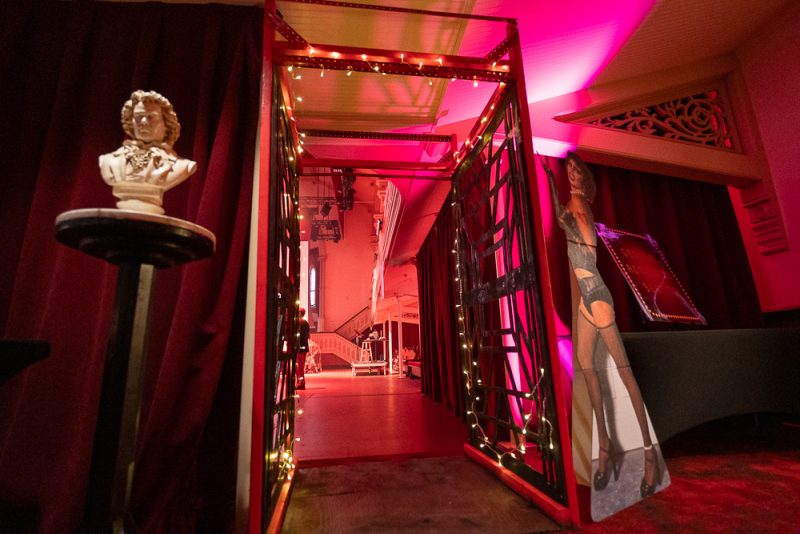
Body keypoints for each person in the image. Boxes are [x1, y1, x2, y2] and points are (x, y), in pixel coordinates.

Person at [544, 151, 660, 498]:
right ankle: (605, 446)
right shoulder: (572, 203)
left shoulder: (581, 206)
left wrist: (570, 220)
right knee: (586, 367)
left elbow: (588, 246)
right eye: (569, 170)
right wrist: (550, 184)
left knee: (624, 372)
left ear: (585, 178)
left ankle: (649, 454)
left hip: (596, 294)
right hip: (586, 300)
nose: (573, 175)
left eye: (577, 171)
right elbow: (563, 220)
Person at [99, 90, 196, 214]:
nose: (143, 122)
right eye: (138, 117)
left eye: (151, 117)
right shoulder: (108, 160)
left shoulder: (182, 166)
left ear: (167, 124)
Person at [296, 308, 310, 390]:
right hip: (303, 347)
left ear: (300, 313)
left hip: (300, 348)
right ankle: (301, 382)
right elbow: (307, 336)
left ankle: (300, 382)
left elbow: (301, 336)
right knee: (300, 366)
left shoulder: (300, 323)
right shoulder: (306, 323)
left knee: (299, 366)